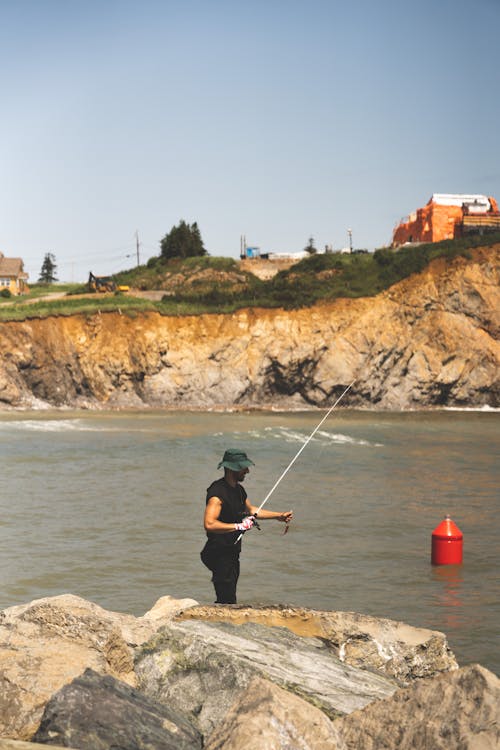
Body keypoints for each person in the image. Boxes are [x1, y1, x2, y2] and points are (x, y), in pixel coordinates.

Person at [200, 448, 293, 604]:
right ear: (232, 469)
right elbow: (209, 524)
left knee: (229, 596)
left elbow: (251, 510)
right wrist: (238, 526)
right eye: (244, 467)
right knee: (226, 599)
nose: (247, 471)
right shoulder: (217, 494)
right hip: (219, 552)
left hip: (232, 551)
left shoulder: (239, 490)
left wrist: (278, 516)